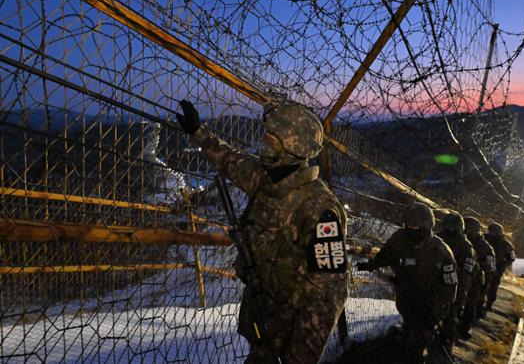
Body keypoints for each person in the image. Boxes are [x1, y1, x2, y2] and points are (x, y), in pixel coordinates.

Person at [177, 99, 349, 364]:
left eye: (270, 136)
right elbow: (230, 160)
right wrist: (197, 131)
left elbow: (327, 296)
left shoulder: (320, 209)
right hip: (262, 320)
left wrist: (299, 358)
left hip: (290, 338)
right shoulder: (267, 179)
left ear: (288, 145)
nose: (264, 140)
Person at [357, 202, 457, 363]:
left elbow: (449, 288)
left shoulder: (441, 251)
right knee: (409, 332)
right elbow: (386, 254)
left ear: (426, 226)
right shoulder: (400, 237)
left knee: (417, 346)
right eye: (408, 225)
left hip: (429, 306)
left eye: (415, 226)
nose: (410, 229)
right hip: (406, 299)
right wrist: (370, 265)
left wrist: (436, 314)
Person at [435, 212, 476, 351]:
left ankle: (446, 343)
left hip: (453, 285)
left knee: (450, 315)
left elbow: (467, 273)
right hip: (436, 283)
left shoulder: (465, 246)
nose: (450, 229)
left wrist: (458, 291)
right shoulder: (438, 238)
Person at [460, 216, 495, 334]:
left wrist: (477, 264)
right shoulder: (460, 240)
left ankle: (465, 328)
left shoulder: (484, 247)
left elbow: (491, 266)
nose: (466, 231)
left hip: (476, 280)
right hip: (460, 278)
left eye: (469, 229)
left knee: (471, 304)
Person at [483, 221, 516, 312]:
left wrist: (502, 265)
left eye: (492, 232)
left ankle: (489, 305)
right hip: (483, 267)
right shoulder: (484, 239)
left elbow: (512, 258)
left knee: (493, 287)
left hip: (497, 269)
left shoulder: (506, 244)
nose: (490, 233)